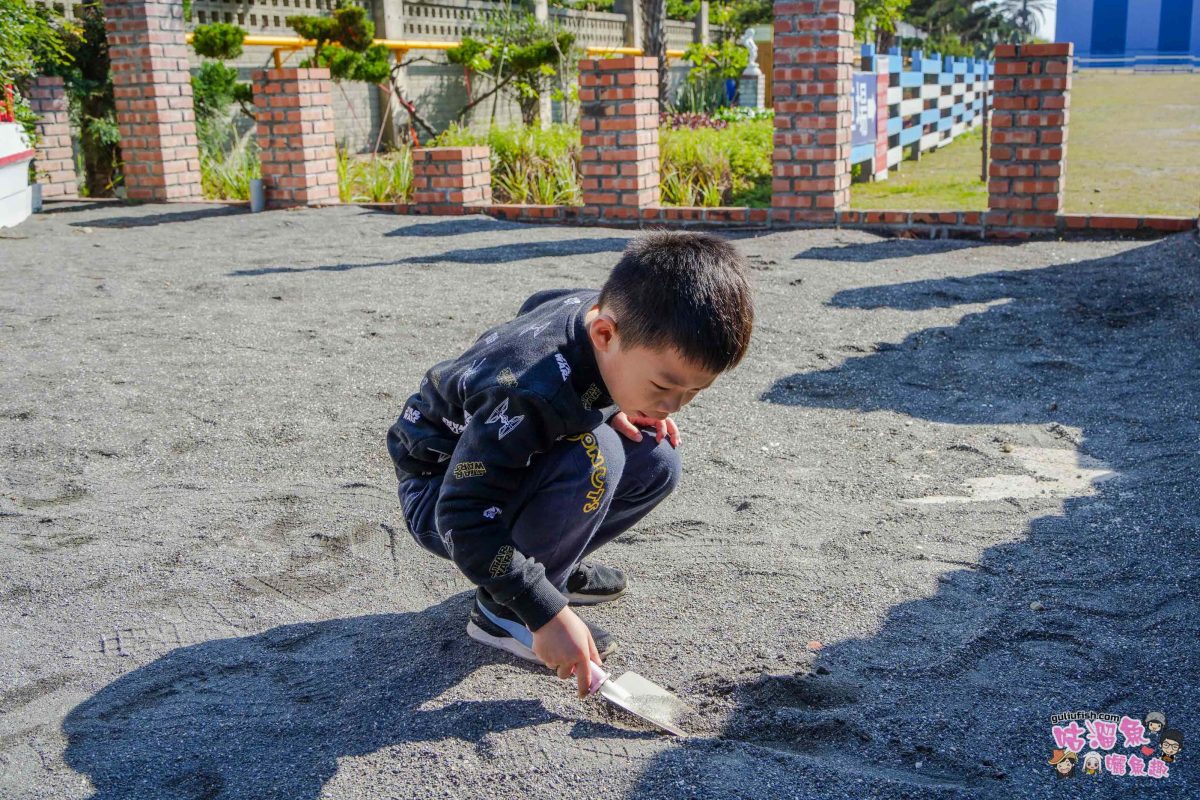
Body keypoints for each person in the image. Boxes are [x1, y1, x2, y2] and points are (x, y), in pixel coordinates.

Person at [386, 229, 755, 697]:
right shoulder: (528, 395)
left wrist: (617, 402)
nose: (675, 406)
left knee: (656, 459)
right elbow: (463, 515)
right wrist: (543, 612)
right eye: (663, 388)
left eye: (694, 392)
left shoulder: (599, 311)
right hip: (439, 492)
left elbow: (539, 303)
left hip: (508, 459)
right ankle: (503, 614)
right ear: (605, 335)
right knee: (593, 455)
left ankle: (548, 565)